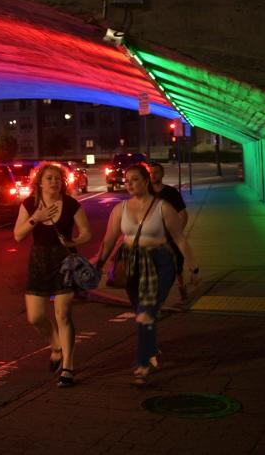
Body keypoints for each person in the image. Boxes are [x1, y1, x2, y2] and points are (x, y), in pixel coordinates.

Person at [94, 164, 198, 386]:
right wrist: (99, 263)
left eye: (134, 179)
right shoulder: (120, 209)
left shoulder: (163, 207)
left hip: (160, 263)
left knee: (146, 312)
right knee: (141, 312)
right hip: (132, 263)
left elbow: (179, 238)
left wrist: (193, 266)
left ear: (146, 181)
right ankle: (150, 348)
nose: (129, 184)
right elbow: (110, 239)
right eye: (127, 180)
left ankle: (143, 365)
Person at [14, 162, 93, 388]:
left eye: (58, 178)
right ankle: (56, 346)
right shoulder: (29, 204)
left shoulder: (71, 205)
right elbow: (18, 236)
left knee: (63, 315)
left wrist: (73, 241)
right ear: (39, 182)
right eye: (49, 178)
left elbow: (87, 233)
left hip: (64, 263)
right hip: (39, 262)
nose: (54, 182)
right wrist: (35, 218)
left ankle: (68, 367)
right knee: (35, 317)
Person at [150, 162, 190, 302]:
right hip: (152, 238)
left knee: (177, 264)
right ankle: (156, 296)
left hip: (170, 236)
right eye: (150, 172)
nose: (153, 175)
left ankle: (182, 287)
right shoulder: (145, 193)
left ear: (162, 174)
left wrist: (178, 233)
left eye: (156, 172)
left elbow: (183, 213)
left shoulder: (171, 192)